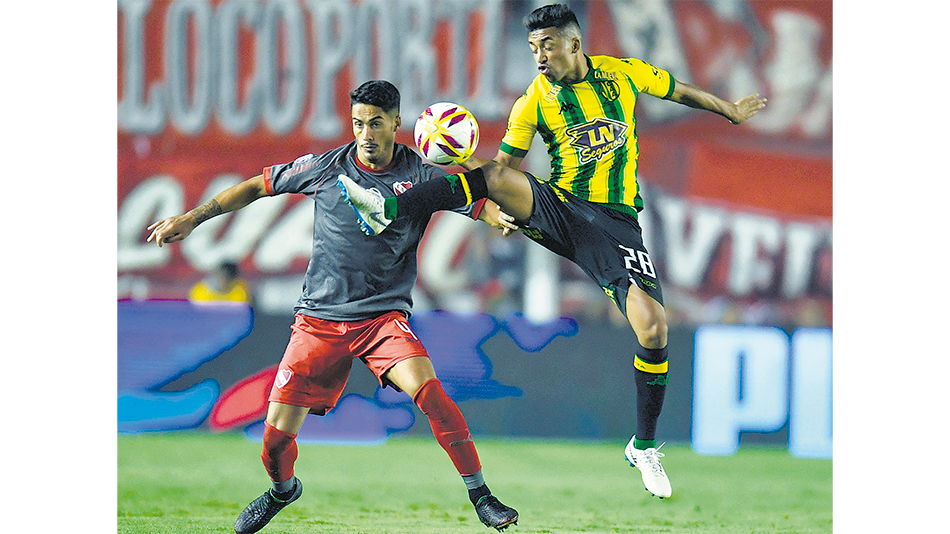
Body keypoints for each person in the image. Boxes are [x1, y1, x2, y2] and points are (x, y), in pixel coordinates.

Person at [337, 3, 767, 500]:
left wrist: (729, 110)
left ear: (574, 44)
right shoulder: (533, 103)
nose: (538, 56)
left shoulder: (620, 76)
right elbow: (500, 170)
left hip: (615, 226)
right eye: (532, 48)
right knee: (496, 178)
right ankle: (389, 205)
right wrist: (481, 187)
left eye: (547, 45)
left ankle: (644, 447)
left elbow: (678, 90)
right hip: (559, 207)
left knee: (653, 329)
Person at [147, 80, 519, 533]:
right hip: (317, 322)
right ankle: (282, 491)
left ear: (397, 124)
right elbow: (255, 187)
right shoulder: (325, 167)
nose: (365, 133)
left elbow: (472, 200)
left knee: (430, 391)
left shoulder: (423, 173)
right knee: (273, 443)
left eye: (376, 123)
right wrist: (191, 218)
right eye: (359, 123)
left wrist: (495, 215)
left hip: (383, 319)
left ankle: (481, 495)